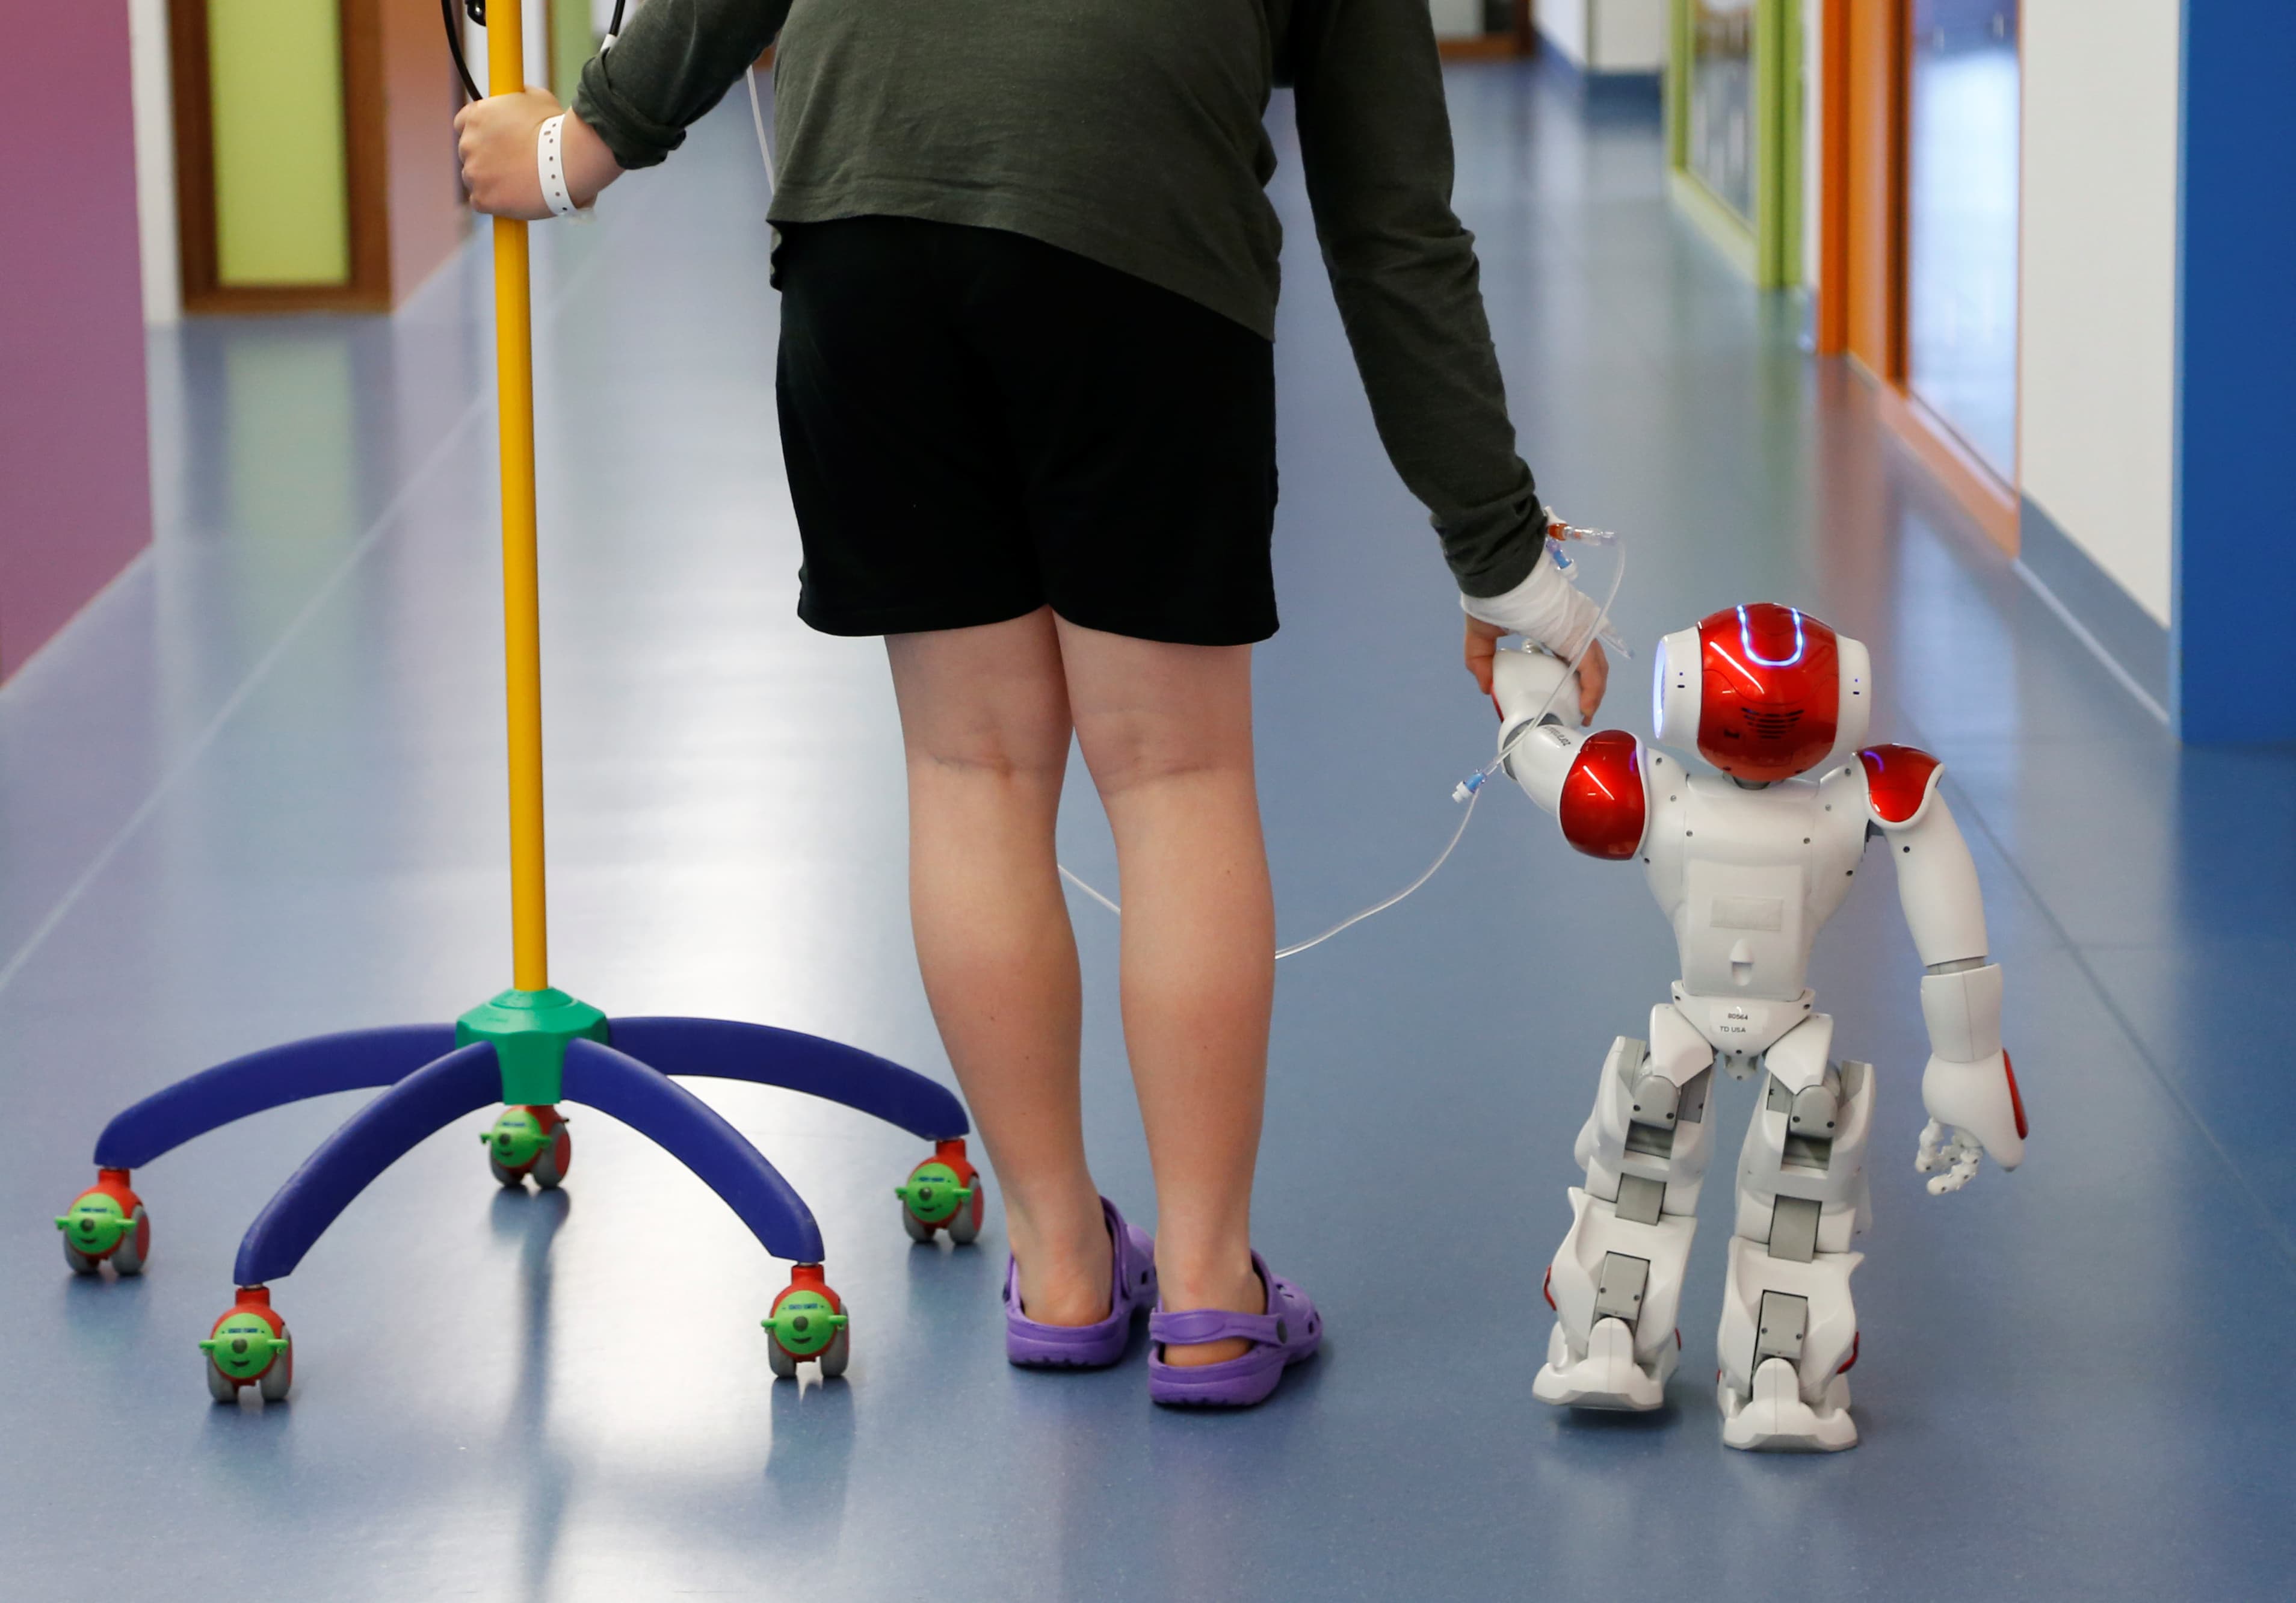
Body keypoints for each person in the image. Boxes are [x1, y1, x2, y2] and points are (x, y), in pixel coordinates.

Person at [455, 0, 1609, 1408]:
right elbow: (1393, 231)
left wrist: (588, 142)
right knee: (1171, 777)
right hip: (1141, 267)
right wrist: (1507, 566)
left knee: (972, 769)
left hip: (864, 237)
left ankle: (1061, 1266)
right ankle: (1205, 1293)